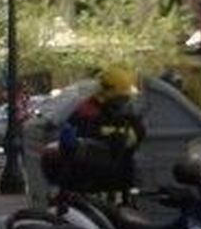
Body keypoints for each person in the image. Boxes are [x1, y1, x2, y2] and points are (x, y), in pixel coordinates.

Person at [62, 66, 147, 197]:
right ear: (106, 93)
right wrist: (112, 134)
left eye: (125, 98)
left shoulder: (123, 112)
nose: (123, 102)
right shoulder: (87, 111)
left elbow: (138, 131)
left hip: (118, 179)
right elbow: (83, 134)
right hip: (92, 182)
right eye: (120, 98)